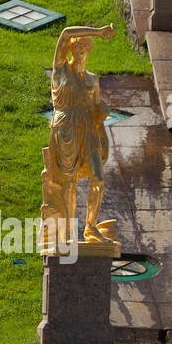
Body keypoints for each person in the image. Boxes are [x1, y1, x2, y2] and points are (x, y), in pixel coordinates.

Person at [41, 23, 118, 248]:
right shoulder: (60, 71)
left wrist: (103, 137)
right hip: (66, 129)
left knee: (99, 179)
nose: (81, 52)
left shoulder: (93, 80)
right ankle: (66, 235)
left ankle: (90, 227)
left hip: (89, 131)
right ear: (71, 51)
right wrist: (97, 32)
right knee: (69, 184)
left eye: (85, 48)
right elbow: (65, 34)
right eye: (78, 48)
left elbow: (95, 112)